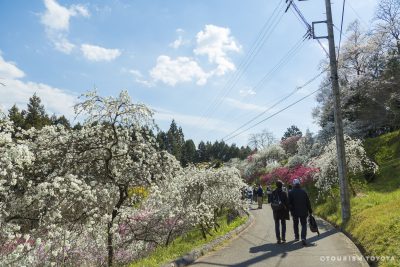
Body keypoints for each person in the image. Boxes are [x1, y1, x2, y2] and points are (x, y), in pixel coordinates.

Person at [289, 178, 313, 246]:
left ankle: (296, 237)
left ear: (293, 184)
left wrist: (291, 210)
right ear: (299, 184)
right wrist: (310, 210)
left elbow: (289, 203)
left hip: (295, 212)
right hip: (303, 211)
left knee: (295, 224)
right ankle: (303, 238)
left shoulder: (291, 192)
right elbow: (308, 202)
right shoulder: (304, 191)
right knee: (304, 224)